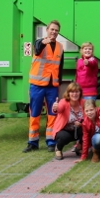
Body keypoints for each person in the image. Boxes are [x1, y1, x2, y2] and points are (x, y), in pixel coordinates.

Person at [23, 20, 63, 153]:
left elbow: (60, 67)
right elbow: (37, 48)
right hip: (37, 85)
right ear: (47, 30)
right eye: (52, 29)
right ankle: (32, 142)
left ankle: (51, 141)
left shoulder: (60, 47)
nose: (54, 32)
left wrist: (59, 83)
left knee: (53, 114)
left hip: (52, 86)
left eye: (56, 30)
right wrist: (43, 42)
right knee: (35, 114)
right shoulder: (39, 42)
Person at [51, 82, 84, 160]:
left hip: (78, 129)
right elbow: (59, 109)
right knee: (64, 137)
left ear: (80, 93)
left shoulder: (83, 102)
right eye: (72, 92)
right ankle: (58, 149)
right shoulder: (64, 102)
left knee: (87, 129)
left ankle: (79, 147)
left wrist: (81, 124)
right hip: (64, 129)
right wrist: (55, 108)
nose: (74, 94)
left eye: (77, 92)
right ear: (68, 93)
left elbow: (89, 115)